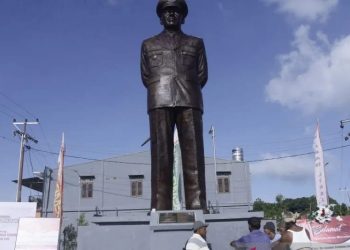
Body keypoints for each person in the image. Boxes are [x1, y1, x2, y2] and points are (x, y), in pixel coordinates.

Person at [140, 0, 208, 211]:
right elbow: (145, 76)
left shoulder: (195, 43)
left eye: (176, 11)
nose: (171, 14)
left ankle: (197, 205)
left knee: (194, 155)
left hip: (190, 99)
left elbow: (202, 75)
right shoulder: (148, 44)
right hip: (159, 100)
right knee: (161, 155)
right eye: (167, 11)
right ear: (160, 16)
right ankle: (161, 206)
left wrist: (187, 87)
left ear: (183, 16)